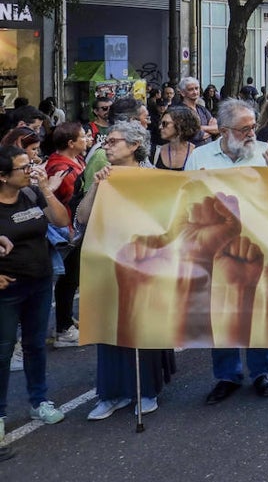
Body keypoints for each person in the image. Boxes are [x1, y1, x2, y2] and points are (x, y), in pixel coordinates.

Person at [74, 122, 177, 420]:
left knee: (142, 326)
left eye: (115, 141)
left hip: (145, 262)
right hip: (106, 261)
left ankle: (146, 391)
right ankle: (111, 393)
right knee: (108, 326)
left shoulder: (151, 176)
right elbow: (81, 217)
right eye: (107, 141)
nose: (107, 145)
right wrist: (96, 185)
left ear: (134, 146)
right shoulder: (101, 176)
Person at [184, 100, 268, 404]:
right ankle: (227, 375)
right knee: (221, 311)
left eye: (253, 126)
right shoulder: (200, 156)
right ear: (224, 131)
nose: (252, 132)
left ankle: (261, 372)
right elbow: (185, 197)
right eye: (245, 128)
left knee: (257, 308)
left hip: (256, 243)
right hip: (215, 247)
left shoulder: (264, 152)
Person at [0, 145, 71, 434]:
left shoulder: (30, 193)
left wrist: (45, 188)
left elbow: (61, 221)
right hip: (8, 288)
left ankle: (39, 401)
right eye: (23, 167)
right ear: (3, 176)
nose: (31, 170)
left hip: (40, 282)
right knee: (3, 351)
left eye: (31, 164)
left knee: (35, 345)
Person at [44, 122, 90, 348]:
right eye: (82, 137)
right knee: (67, 278)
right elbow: (68, 199)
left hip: (75, 229)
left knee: (71, 278)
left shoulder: (77, 160)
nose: (87, 139)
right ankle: (63, 327)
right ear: (71, 143)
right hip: (66, 231)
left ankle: (65, 320)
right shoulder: (60, 168)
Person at [154, 106, 199, 171]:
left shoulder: (198, 153)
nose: (160, 127)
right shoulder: (156, 153)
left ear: (180, 125)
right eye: (160, 123)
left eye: (165, 123)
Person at [178, 77, 218, 143]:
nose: (195, 92)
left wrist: (201, 128)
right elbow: (193, 135)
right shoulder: (178, 111)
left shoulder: (202, 109)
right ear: (182, 93)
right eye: (190, 89)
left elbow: (217, 128)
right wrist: (210, 130)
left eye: (196, 88)